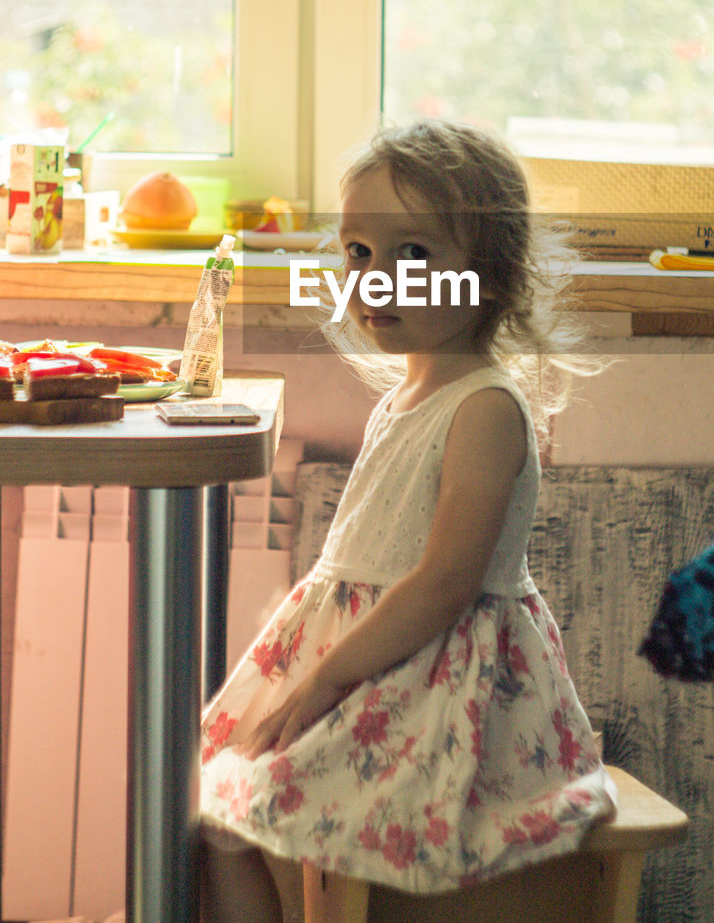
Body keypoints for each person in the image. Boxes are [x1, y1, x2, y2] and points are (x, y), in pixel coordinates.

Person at [200, 119, 616, 922]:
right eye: (358, 253)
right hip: (380, 664)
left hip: (438, 677)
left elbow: (443, 583)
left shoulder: (485, 408)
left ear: (486, 276)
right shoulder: (407, 398)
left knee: (261, 809)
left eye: (412, 255)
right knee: (211, 801)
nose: (375, 280)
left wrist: (324, 677)